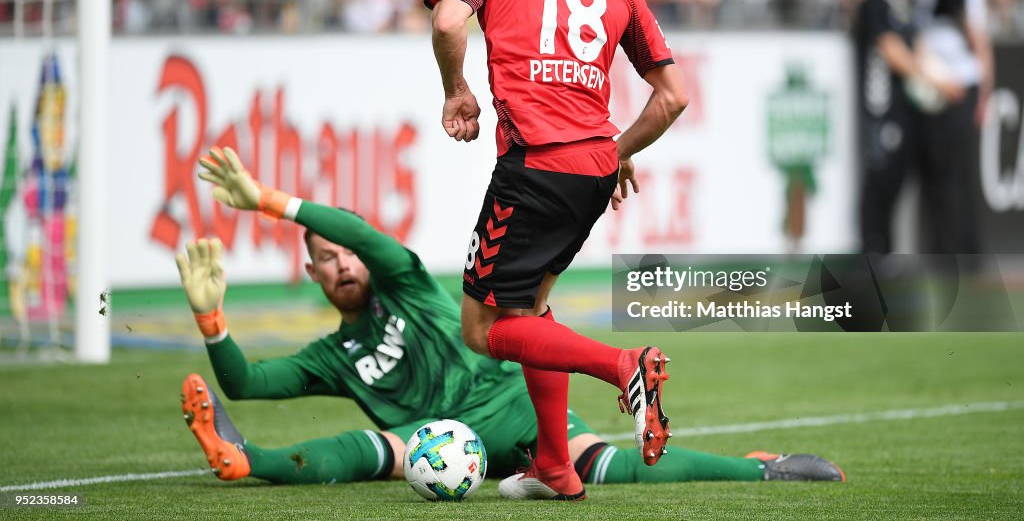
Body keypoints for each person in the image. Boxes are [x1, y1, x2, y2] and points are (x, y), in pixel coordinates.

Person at [177, 146, 845, 489]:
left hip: (510, 408)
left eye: (348, 251)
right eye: (328, 258)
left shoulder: (403, 281)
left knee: (610, 467)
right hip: (437, 440)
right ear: (313, 275)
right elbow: (247, 382)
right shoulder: (329, 357)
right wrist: (211, 317)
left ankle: (759, 470)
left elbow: (361, 231)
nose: (345, 261)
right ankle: (248, 459)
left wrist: (269, 201)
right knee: (368, 449)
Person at [425, 0, 688, 501]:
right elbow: (672, 97)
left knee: (483, 330)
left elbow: (447, 21)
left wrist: (457, 89)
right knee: (532, 309)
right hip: (593, 171)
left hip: (535, 167)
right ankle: (555, 468)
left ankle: (625, 367)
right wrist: (614, 149)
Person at [853, 0, 964, 253]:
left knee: (898, 179)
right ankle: (872, 253)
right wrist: (937, 82)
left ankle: (886, 251)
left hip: (907, 107)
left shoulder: (908, 3)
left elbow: (918, 47)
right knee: (880, 179)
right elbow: (892, 52)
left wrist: (942, 75)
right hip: (882, 105)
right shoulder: (875, 3)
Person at [915, 0, 993, 253]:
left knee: (953, 173)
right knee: (938, 171)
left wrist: (984, 90)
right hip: (935, 85)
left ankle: (961, 253)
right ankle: (945, 249)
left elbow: (975, 34)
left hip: (958, 84)